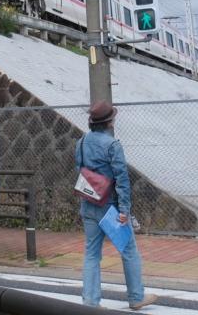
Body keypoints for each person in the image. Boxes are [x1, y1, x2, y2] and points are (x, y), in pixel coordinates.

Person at [77, 101, 156, 310]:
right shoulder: (113, 145)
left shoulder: (82, 141)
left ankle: (90, 302)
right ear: (109, 122)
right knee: (128, 249)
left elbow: (80, 169)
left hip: (88, 204)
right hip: (110, 208)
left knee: (92, 253)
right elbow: (122, 180)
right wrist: (125, 211)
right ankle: (136, 297)